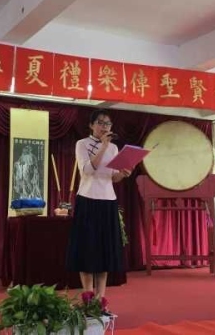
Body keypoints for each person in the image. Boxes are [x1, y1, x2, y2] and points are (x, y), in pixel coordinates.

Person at [66, 110, 132, 299]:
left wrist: (123, 174)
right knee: (87, 250)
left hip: (108, 201)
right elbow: (88, 170)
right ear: (91, 125)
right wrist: (103, 146)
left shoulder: (114, 148)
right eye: (101, 123)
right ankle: (88, 296)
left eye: (108, 124)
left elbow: (113, 177)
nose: (105, 127)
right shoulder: (82, 144)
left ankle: (100, 299)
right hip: (87, 200)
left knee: (104, 251)